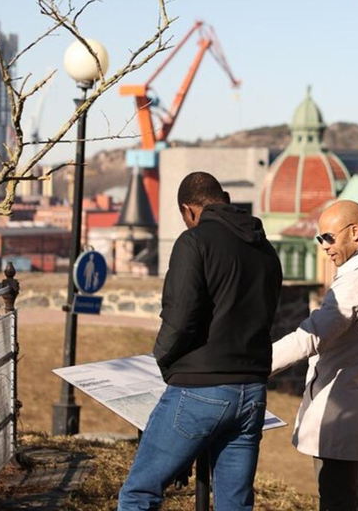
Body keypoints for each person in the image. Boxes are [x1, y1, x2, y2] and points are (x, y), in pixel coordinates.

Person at [118, 172, 283, 511]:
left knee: (139, 493)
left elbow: (179, 317)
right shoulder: (264, 248)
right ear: (223, 196)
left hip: (200, 387)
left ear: (188, 210)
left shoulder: (194, 242)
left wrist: (162, 361)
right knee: (234, 505)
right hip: (252, 391)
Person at [271, 200, 358, 511]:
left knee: (338, 501)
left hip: (339, 411)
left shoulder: (354, 282)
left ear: (355, 231)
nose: (324, 248)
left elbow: (310, 336)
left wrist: (251, 366)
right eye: (320, 240)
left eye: (328, 237)